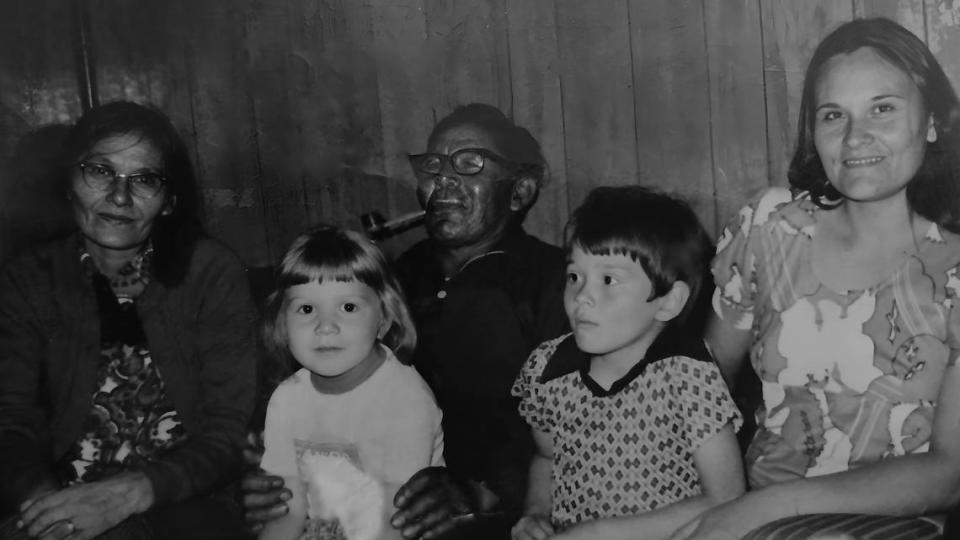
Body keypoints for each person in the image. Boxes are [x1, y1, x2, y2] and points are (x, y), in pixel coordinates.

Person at [680, 17, 960, 540]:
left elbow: (949, 473)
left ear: (930, 121)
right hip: (746, 512)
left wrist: (764, 511)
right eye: (834, 115)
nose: (856, 137)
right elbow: (700, 386)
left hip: (892, 525)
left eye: (883, 108)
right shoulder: (770, 226)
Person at [242, 104, 569, 540]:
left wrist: (484, 493)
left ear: (520, 191)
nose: (444, 180)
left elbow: (574, 430)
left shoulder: (556, 284)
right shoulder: (396, 279)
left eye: (470, 163)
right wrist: (280, 472)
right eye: (432, 166)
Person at [0, 101, 258, 539]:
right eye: (100, 172)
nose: (120, 197)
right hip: (62, 500)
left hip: (187, 503)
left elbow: (228, 432)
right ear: (69, 182)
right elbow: (11, 419)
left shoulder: (211, 274)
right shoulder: (29, 280)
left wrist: (128, 495)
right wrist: (48, 510)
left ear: (170, 199)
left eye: (144, 180)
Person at [510, 186, 744, 540]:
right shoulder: (549, 367)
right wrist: (535, 513)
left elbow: (725, 497)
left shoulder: (687, 375)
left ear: (668, 301)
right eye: (575, 276)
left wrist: (601, 533)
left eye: (609, 279)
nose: (583, 296)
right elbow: (547, 460)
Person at [257, 226, 444, 540]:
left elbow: (395, 523)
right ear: (282, 324)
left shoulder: (404, 399)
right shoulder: (287, 399)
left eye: (348, 307)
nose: (325, 327)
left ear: (384, 318)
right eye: (306, 309)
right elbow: (286, 512)